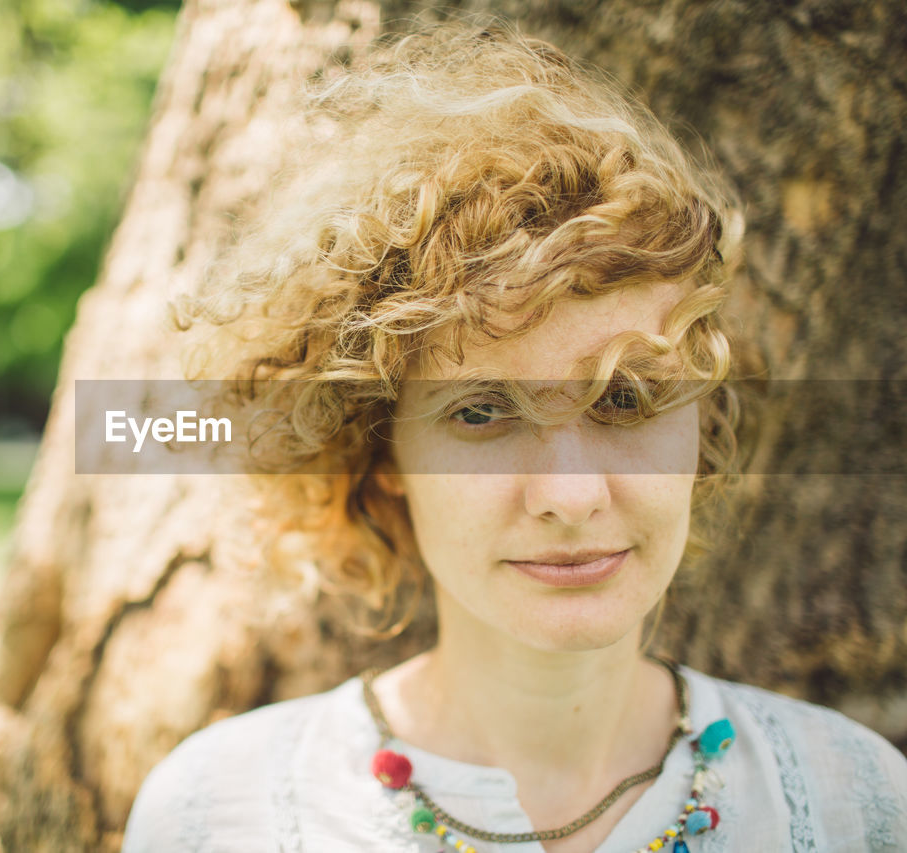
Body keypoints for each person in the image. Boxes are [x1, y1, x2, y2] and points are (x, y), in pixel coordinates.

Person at [119, 21, 907, 853]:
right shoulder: (219, 812)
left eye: (628, 397)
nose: (570, 496)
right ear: (381, 452)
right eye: (482, 411)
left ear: (701, 421)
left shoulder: (852, 799)